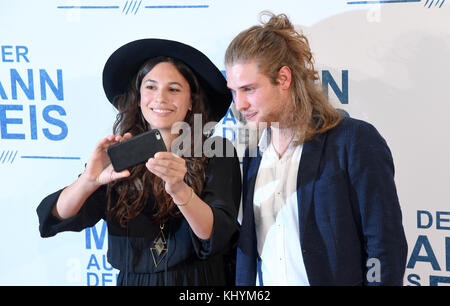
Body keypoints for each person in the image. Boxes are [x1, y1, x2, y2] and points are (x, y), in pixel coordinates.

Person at [36, 38, 241, 286]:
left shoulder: (217, 151)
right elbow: (56, 216)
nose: (160, 98)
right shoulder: (120, 153)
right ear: (138, 96)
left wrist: (179, 190)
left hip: (199, 281)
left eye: (174, 89)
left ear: (190, 101)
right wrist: (89, 181)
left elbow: (214, 234)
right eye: (151, 87)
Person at [225, 12, 408, 286]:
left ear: (284, 78)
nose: (239, 104)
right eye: (234, 91)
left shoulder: (353, 140)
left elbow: (385, 247)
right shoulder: (254, 153)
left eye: (249, 89)